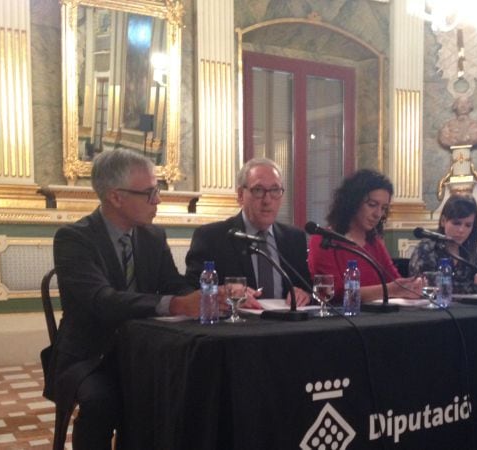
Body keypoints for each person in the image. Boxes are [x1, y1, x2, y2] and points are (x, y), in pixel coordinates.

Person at [44, 148, 206, 449]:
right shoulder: (74, 238)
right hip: (90, 356)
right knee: (102, 401)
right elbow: (101, 301)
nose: (157, 201)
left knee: (189, 390)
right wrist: (173, 304)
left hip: (144, 351)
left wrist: (207, 296)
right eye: (149, 193)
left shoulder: (152, 236)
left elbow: (174, 284)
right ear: (116, 197)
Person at [185, 157, 312, 306]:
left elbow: (307, 287)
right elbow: (189, 291)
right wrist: (224, 293)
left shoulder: (294, 238)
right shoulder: (211, 237)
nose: (267, 200)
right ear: (240, 195)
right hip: (237, 326)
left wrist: (306, 294)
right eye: (258, 190)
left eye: (275, 190)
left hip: (285, 326)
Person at [308, 169, 425, 302]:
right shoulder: (323, 240)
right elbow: (336, 293)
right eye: (372, 205)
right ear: (353, 202)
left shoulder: (374, 241)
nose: (378, 214)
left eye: (383, 208)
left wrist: (412, 286)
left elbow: (394, 280)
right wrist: (391, 290)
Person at [408, 195, 477, 294]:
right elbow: (427, 286)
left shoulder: (470, 253)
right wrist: (475, 287)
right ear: (443, 221)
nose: (461, 230)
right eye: (456, 223)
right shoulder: (427, 248)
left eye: (468, 225)